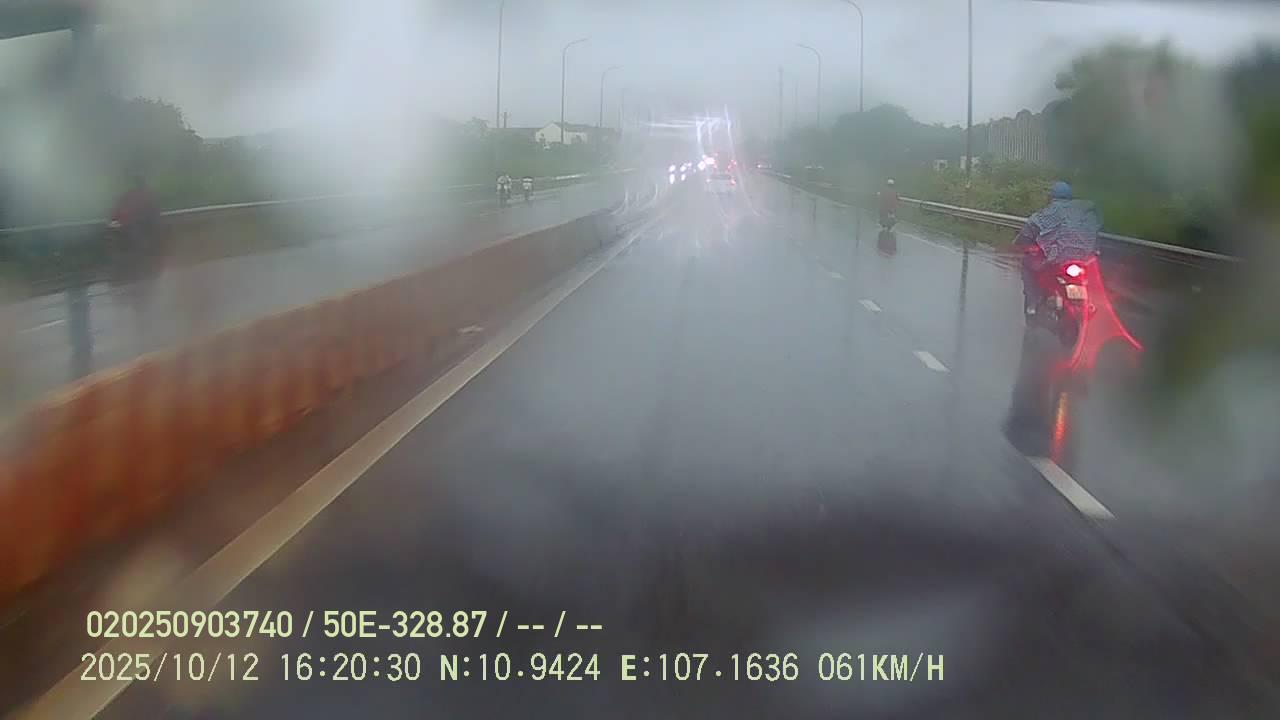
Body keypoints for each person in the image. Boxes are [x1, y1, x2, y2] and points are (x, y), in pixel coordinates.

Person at [1013, 181, 1102, 314]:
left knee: (1027, 264)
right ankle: (1088, 304)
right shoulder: (1085, 210)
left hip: (1057, 260)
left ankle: (1032, 304)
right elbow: (1098, 227)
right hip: (1083, 260)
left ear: (1051, 197)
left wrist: (1021, 244)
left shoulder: (1047, 213)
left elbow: (1027, 232)